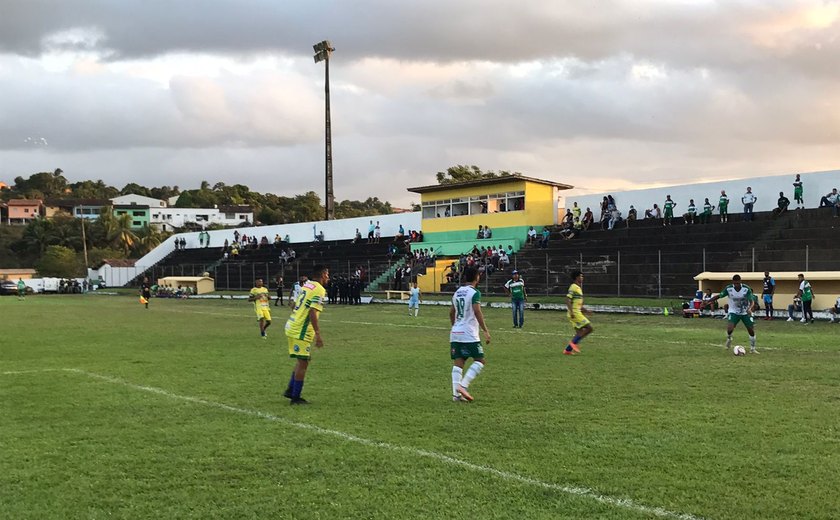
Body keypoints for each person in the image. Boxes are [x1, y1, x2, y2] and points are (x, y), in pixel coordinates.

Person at [283, 265, 329, 405]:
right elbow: (312, 312)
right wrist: (318, 334)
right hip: (300, 330)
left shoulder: (307, 284)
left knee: (302, 361)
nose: (328, 277)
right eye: (327, 274)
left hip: (292, 325)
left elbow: (297, 304)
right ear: (322, 274)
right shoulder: (320, 289)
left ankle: (291, 390)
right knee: (303, 363)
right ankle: (295, 398)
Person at [449, 266, 491, 402]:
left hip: (456, 331)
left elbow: (451, 312)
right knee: (480, 360)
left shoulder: (457, 292)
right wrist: (485, 330)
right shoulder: (474, 293)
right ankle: (463, 386)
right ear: (477, 277)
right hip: (469, 332)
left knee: (459, 362)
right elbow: (477, 311)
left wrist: (455, 326)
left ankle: (456, 395)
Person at [702, 274, 758, 353]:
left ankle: (753, 348)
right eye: (735, 283)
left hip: (745, 312)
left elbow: (752, 301)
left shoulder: (746, 289)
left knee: (751, 330)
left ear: (740, 282)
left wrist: (749, 309)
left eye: (738, 283)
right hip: (733, 312)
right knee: (729, 329)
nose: (736, 285)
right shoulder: (729, 289)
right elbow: (719, 296)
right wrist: (708, 301)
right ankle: (729, 338)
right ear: (733, 282)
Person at [564, 270, 593, 355]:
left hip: (577, 312)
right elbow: (567, 300)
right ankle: (573, 344)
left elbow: (577, 303)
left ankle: (567, 350)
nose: (582, 278)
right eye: (581, 276)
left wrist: (586, 311)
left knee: (580, 332)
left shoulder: (578, 288)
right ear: (576, 277)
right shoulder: (573, 287)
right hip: (575, 313)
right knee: (589, 328)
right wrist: (572, 312)